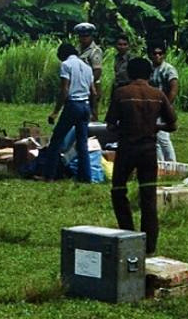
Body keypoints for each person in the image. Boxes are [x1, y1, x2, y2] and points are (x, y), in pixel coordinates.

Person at [106, 57, 176, 254]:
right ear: (149, 74)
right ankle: (150, 245)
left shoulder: (122, 93)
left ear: (129, 73)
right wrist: (155, 126)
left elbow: (111, 124)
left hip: (127, 149)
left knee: (118, 190)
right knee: (148, 197)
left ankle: (127, 233)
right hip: (148, 151)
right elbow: (173, 124)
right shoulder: (158, 95)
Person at [41, 42, 95, 181]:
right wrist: (93, 111)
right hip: (85, 105)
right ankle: (86, 177)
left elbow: (64, 90)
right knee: (82, 143)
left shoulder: (66, 65)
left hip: (73, 105)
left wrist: (55, 112)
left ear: (63, 54)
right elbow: (93, 92)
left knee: (57, 140)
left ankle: (49, 175)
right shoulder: (88, 67)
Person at [149, 44, 180, 162]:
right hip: (152, 107)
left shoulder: (168, 69)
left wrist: (165, 107)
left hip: (163, 106)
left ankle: (172, 163)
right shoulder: (150, 69)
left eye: (160, 53)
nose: (157, 56)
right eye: (155, 53)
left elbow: (173, 89)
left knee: (163, 137)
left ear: (164, 55)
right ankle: (160, 163)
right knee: (154, 137)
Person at [75, 23, 104, 119]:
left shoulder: (95, 51)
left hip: (92, 85)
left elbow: (97, 71)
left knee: (92, 111)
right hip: (79, 83)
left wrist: (88, 83)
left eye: (86, 36)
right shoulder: (77, 49)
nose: (84, 38)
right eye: (81, 36)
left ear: (91, 36)